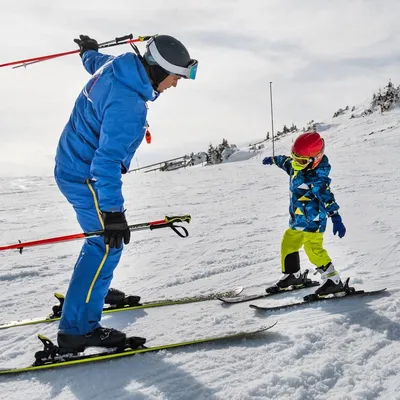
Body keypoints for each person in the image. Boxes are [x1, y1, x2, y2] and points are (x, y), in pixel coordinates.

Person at [54, 34, 198, 352]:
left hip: (71, 164)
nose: (175, 85)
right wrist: (114, 213)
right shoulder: (129, 106)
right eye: (175, 77)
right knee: (105, 244)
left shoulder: (120, 67)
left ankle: (93, 290)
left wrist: (88, 52)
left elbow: (96, 61)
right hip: (84, 176)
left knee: (103, 243)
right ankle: (77, 329)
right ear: (159, 71)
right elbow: (104, 164)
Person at [262, 132, 346, 296]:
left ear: (316, 159)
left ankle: (333, 280)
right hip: (298, 219)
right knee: (288, 243)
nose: (296, 163)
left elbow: (327, 197)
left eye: (300, 161)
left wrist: (335, 217)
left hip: (314, 221)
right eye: (295, 158)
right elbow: (285, 161)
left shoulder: (317, 178)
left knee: (312, 249)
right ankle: (293, 276)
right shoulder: (296, 166)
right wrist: (273, 160)